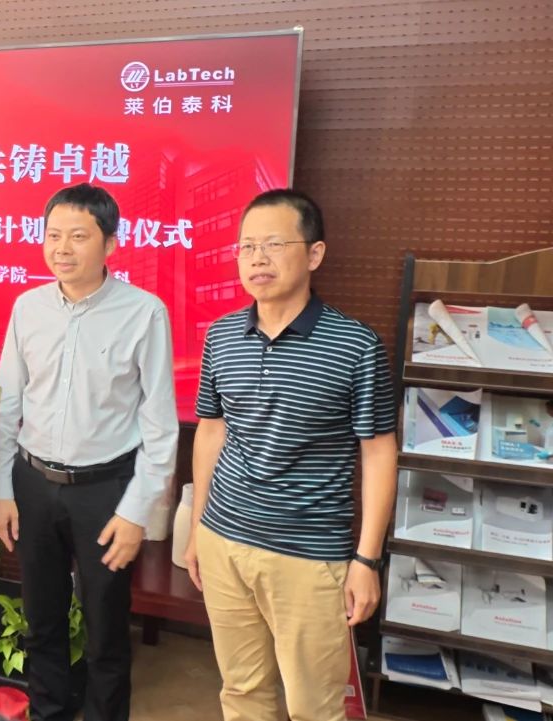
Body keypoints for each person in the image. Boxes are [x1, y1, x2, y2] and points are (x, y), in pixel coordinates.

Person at [183, 189, 398, 721]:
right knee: (241, 690)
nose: (257, 258)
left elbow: (378, 454)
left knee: (314, 707)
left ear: (315, 254)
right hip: (223, 540)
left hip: (307, 556)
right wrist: (197, 530)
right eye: (247, 246)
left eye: (275, 244)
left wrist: (366, 560)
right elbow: (211, 432)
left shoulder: (356, 346)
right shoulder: (222, 336)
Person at [0, 183, 179, 721]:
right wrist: (0, 489)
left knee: (106, 628)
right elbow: (6, 404)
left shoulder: (144, 313)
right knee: (41, 620)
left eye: (78, 236)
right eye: (53, 236)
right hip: (32, 484)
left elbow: (160, 427)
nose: (62, 249)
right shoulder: (28, 307)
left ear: (110, 244)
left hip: (105, 493)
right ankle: (47, 713)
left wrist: (136, 513)